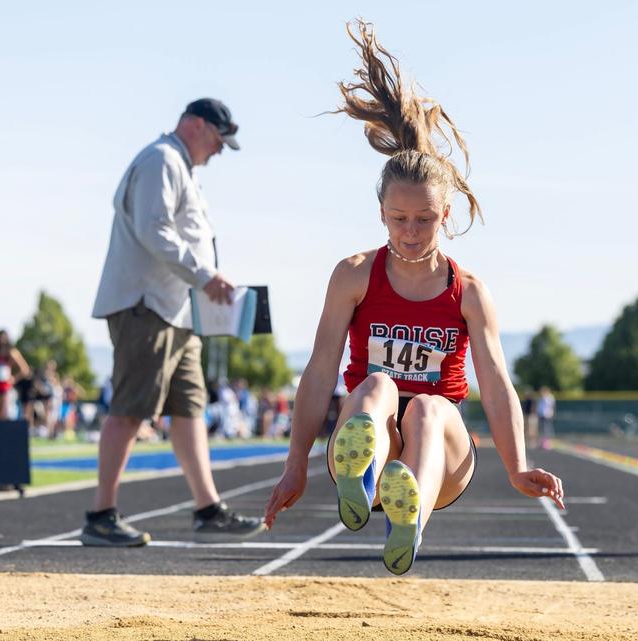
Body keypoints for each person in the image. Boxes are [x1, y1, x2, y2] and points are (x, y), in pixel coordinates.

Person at [264, 20, 565, 576]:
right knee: (376, 384)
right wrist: (295, 466)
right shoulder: (354, 276)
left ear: (444, 215)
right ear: (380, 213)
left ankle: (409, 515)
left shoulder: (468, 292)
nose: (410, 231)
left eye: (424, 219)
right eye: (399, 219)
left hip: (442, 455)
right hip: (369, 424)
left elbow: (496, 383)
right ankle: (366, 474)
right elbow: (317, 373)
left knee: (429, 407)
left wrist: (519, 464)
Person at [86, 97, 265, 546]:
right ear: (195, 125)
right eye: (219, 139)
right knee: (130, 409)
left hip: (176, 310)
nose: (221, 150)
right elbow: (155, 230)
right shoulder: (162, 159)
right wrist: (206, 277)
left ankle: (208, 509)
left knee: (189, 410)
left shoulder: (182, 167)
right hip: (147, 306)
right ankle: (100, 514)